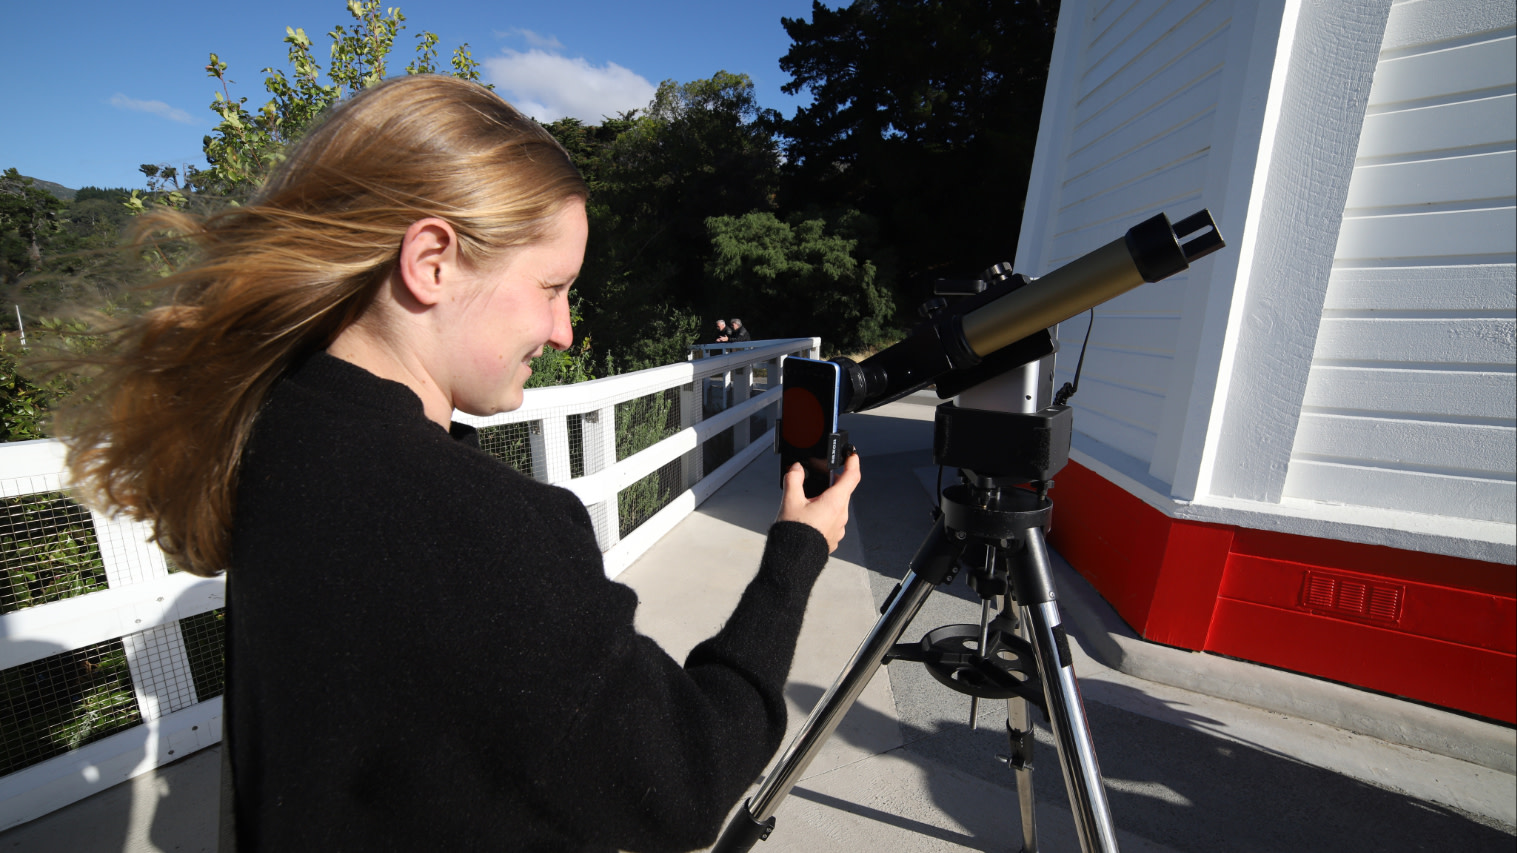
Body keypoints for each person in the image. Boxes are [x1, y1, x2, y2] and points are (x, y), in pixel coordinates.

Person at [60, 75, 861, 853]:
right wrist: (796, 552)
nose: (565, 331)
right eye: (553, 286)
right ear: (433, 261)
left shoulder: (277, 428)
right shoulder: (476, 526)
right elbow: (688, 781)